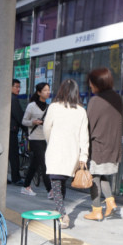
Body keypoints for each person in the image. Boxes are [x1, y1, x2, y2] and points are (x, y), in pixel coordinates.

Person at [43, 79, 90, 229]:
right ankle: (59, 210)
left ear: (61, 90)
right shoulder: (81, 111)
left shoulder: (54, 107)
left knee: (56, 184)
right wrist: (83, 156)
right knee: (60, 183)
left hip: (55, 151)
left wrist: (51, 142)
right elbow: (84, 136)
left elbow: (46, 129)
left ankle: (63, 215)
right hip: (72, 154)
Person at [85, 67, 123, 221]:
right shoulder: (117, 98)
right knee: (99, 174)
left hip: (98, 145)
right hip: (113, 145)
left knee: (94, 177)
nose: (90, 85)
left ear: (98, 83)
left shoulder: (96, 100)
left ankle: (96, 210)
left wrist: (83, 145)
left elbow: (89, 125)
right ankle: (110, 202)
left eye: (91, 83)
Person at [21, 82, 52, 197]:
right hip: (34, 138)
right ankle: (50, 190)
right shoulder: (31, 106)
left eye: (48, 90)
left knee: (35, 164)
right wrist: (33, 122)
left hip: (45, 139)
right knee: (44, 164)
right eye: (45, 90)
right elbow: (24, 121)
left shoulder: (49, 107)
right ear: (39, 92)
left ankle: (25, 186)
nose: (48, 92)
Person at [9, 79, 24, 184]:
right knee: (14, 155)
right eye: (16, 87)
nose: (18, 89)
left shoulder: (8, 98)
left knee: (9, 155)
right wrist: (26, 129)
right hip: (11, 131)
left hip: (8, 130)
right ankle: (16, 178)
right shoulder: (13, 99)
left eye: (19, 87)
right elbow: (19, 116)